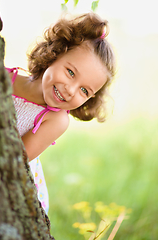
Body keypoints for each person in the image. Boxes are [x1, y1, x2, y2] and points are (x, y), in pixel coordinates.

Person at [6, 12, 116, 214]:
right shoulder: (3, 78)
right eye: (71, 72)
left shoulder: (55, 119)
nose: (71, 90)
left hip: (9, 190)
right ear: (55, 53)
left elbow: (15, 159)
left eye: (84, 91)